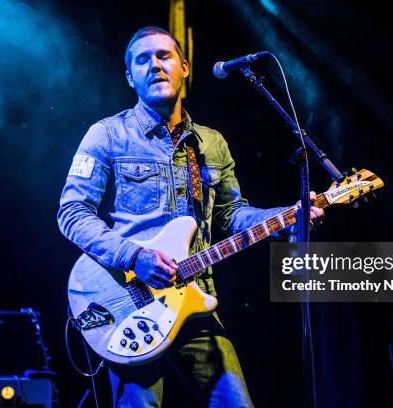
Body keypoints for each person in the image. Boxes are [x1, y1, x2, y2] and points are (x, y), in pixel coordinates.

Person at [57, 26, 323, 407]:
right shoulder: (107, 135)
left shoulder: (211, 144)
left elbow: (231, 216)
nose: (155, 66)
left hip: (196, 301)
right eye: (142, 60)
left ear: (184, 66)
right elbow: (72, 213)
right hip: (128, 303)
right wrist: (135, 257)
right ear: (130, 76)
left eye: (164, 56)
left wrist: (289, 215)